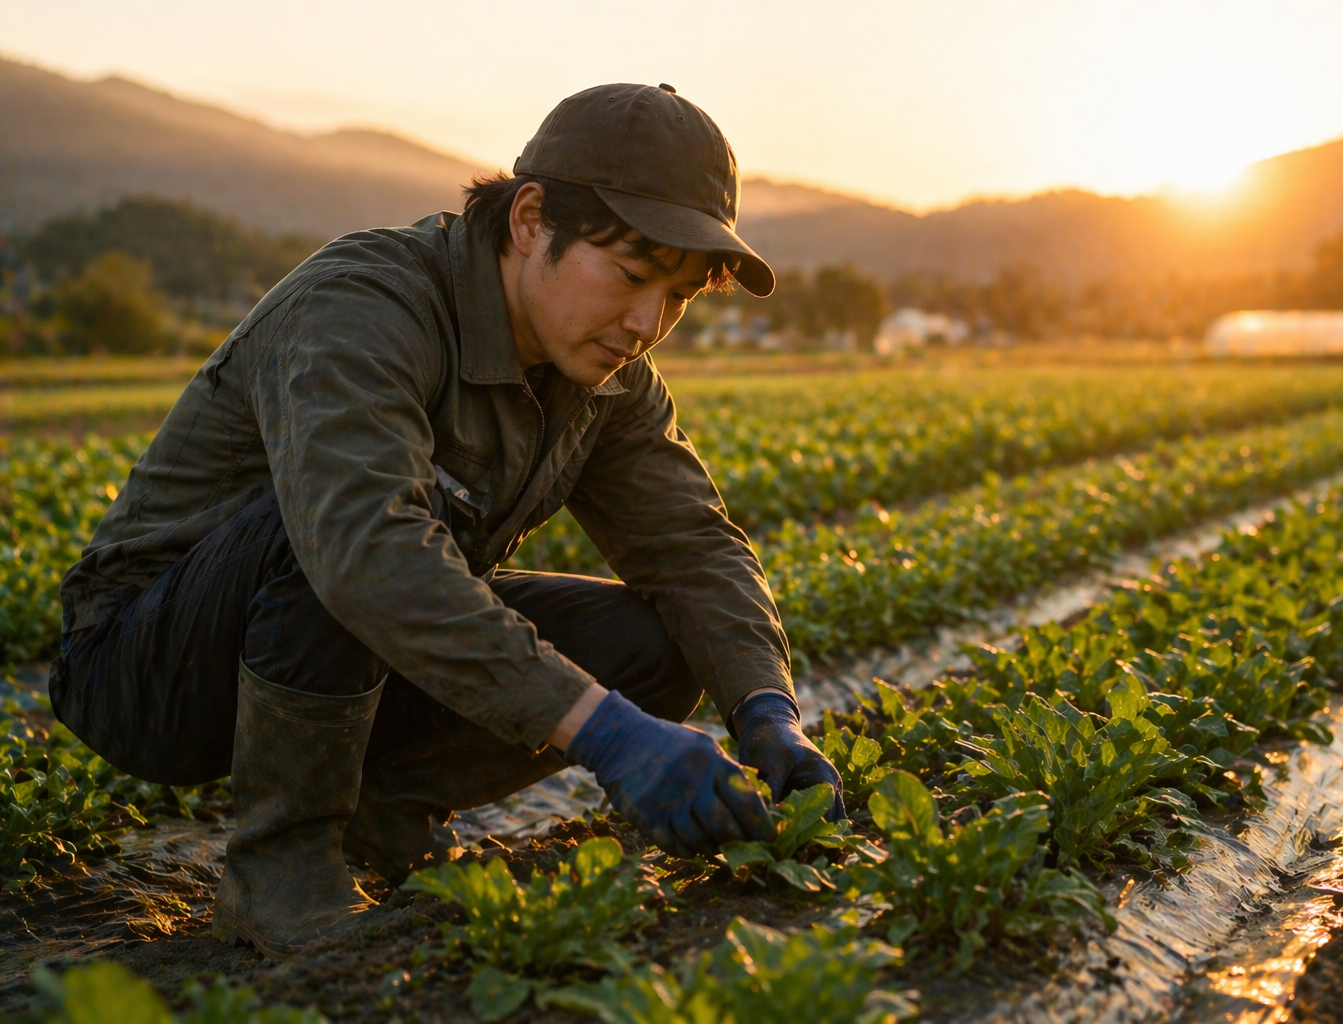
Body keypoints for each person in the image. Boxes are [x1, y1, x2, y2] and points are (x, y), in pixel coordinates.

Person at [49, 83, 844, 958]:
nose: (647, 324)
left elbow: (693, 546)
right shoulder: (367, 304)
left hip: (350, 643)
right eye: (631, 275)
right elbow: (362, 552)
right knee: (350, 529)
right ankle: (283, 862)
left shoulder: (605, 380)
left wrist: (768, 712)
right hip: (149, 663)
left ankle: (382, 812)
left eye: (681, 296)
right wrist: (608, 733)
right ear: (531, 220)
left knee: (651, 641)